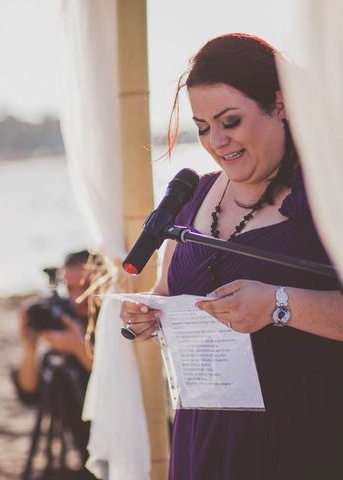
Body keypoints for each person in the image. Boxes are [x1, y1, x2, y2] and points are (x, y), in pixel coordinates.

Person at [120, 33, 343, 480]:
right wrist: (150, 311)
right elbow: (169, 290)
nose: (216, 141)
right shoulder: (192, 197)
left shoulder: (330, 194)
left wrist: (279, 304)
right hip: (202, 436)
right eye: (202, 127)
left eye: (231, 120)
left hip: (301, 438)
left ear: (278, 104)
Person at [13, 249, 97, 478]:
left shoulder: (114, 328)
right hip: (82, 456)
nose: (76, 298)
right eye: (70, 289)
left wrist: (80, 349)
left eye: (86, 286)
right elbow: (29, 393)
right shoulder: (65, 328)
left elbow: (122, 391)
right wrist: (30, 348)